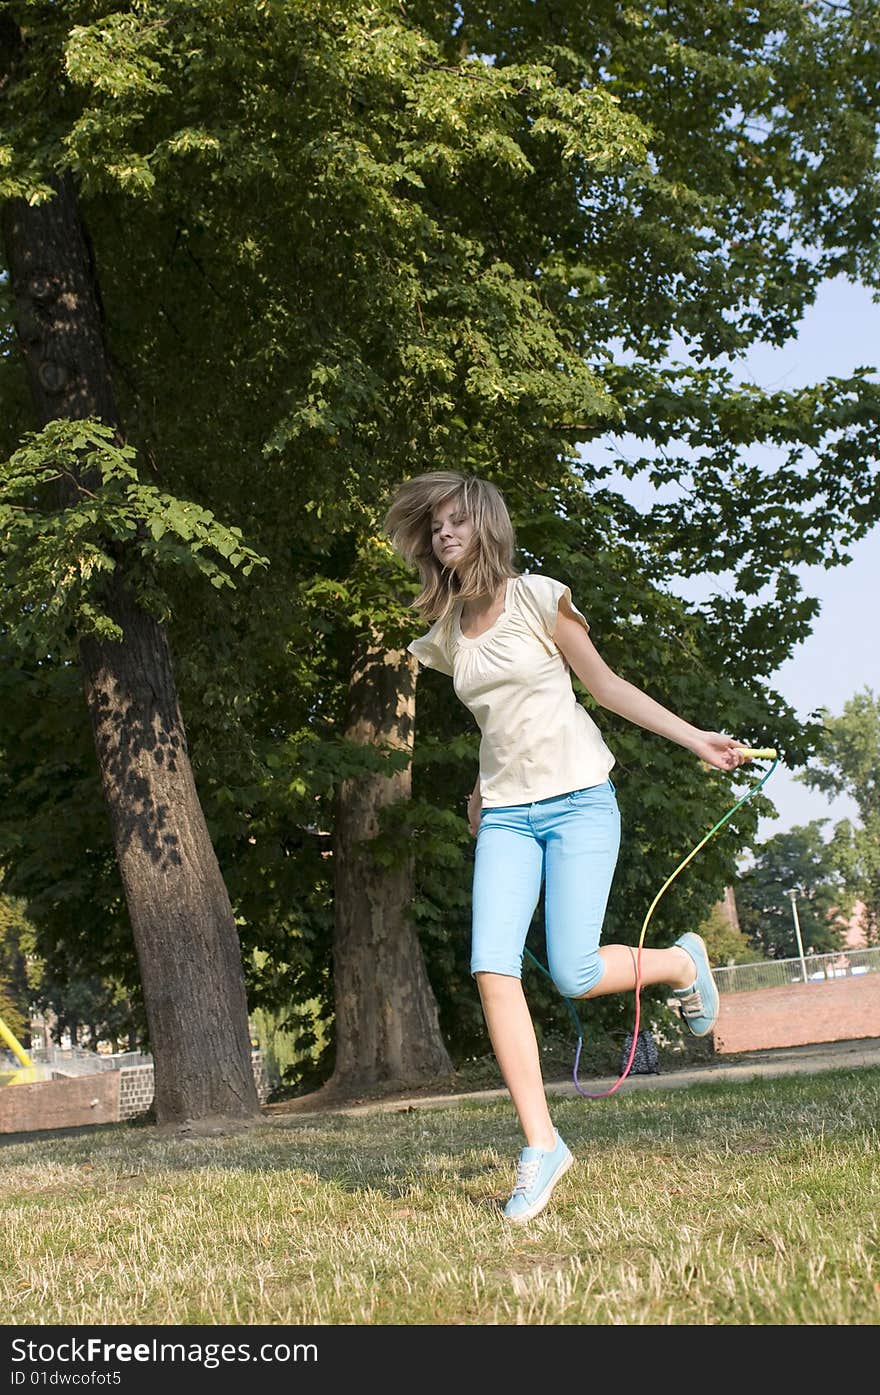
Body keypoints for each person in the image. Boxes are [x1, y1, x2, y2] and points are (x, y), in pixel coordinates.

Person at [383, 471, 749, 1224]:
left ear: (485, 526)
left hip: (580, 801)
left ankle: (682, 961)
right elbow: (496, 721)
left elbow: (607, 687)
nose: (444, 534)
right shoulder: (450, 632)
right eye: (436, 526)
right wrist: (483, 794)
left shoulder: (537, 598)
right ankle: (541, 1143)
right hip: (509, 818)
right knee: (492, 964)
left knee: (577, 972)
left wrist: (696, 740)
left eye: (457, 521)